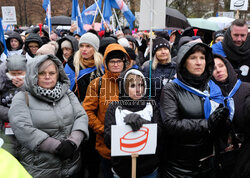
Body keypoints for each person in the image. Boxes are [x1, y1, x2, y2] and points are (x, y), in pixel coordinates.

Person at [8, 54, 89, 177]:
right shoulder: (22, 97)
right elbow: (22, 128)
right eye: (41, 73)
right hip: (41, 168)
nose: (47, 77)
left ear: (58, 74)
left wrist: (73, 142)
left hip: (71, 165)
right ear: (33, 75)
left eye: (52, 73)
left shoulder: (67, 93)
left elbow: (81, 116)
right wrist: (56, 147)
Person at [160, 42, 229, 177]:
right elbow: (171, 124)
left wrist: (224, 120)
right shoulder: (171, 89)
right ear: (183, 62)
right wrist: (207, 124)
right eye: (193, 58)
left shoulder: (212, 88)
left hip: (210, 163)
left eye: (202, 58)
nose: (199, 62)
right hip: (180, 168)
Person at [83, 43, 132, 178]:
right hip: (106, 147)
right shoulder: (96, 84)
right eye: (112, 61)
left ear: (125, 62)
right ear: (106, 63)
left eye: (118, 61)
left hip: (130, 145)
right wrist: (103, 130)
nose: (116, 65)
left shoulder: (133, 81)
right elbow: (87, 111)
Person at [104, 68, 162, 178]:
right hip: (122, 168)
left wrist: (142, 122)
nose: (138, 90)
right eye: (132, 86)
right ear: (124, 88)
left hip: (148, 168)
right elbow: (108, 139)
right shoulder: (114, 108)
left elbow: (160, 132)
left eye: (141, 85)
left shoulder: (150, 105)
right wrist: (127, 126)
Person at [212, 54, 250, 178]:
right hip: (224, 154)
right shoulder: (210, 95)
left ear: (227, 67)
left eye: (221, 66)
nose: (218, 70)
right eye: (213, 68)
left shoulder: (246, 88)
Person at [64, 32, 104, 103]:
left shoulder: (101, 66)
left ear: (95, 48)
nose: (84, 49)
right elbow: (65, 89)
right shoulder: (71, 65)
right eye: (81, 46)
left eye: (88, 46)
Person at [0, 55, 27, 156]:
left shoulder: (31, 83)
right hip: (5, 126)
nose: (16, 76)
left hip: (26, 126)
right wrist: (12, 114)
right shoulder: (2, 83)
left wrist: (23, 87)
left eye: (20, 73)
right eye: (13, 74)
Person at [141, 37, 176, 105]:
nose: (163, 52)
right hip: (154, 108)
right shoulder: (148, 68)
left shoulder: (176, 68)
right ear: (155, 52)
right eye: (159, 50)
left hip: (172, 107)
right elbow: (144, 91)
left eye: (165, 49)